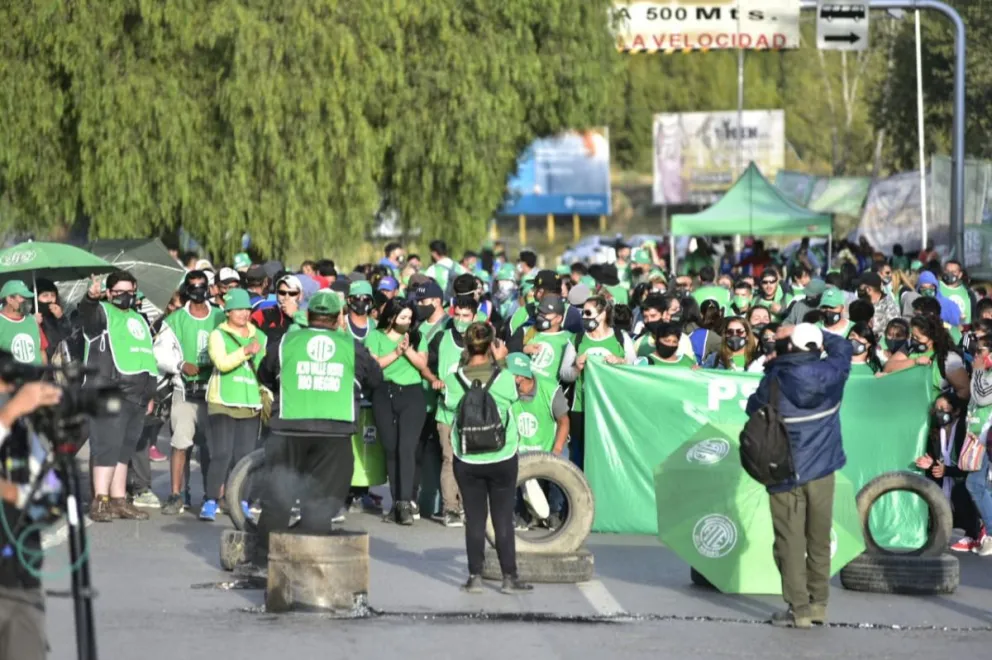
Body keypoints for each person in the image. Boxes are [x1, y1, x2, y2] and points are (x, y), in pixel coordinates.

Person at [241, 291, 384, 574]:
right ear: (338, 317)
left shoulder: (285, 342)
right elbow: (376, 379)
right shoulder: (352, 346)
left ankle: (261, 565)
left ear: (307, 316)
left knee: (278, 501)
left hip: (289, 430)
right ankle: (304, 568)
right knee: (321, 504)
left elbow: (265, 374)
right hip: (335, 433)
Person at [746, 323, 852, 628]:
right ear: (817, 347)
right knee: (818, 539)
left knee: (789, 542)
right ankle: (819, 604)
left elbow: (753, 408)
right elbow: (844, 348)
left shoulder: (775, 378)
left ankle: (799, 608)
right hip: (822, 471)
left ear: (790, 346)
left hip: (784, 471)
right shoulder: (834, 372)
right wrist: (814, 330)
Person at [442, 323, 532, 595]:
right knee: (503, 517)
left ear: (466, 346)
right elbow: (520, 396)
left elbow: (447, 406)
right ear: (492, 344)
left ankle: (475, 577)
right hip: (502, 456)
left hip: (467, 458)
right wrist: (503, 360)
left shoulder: (454, 379)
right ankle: (509, 577)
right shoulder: (504, 377)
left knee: (475, 518)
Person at [79, 271, 157, 522]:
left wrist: (149, 393)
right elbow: (87, 313)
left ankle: (118, 500)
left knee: (124, 451)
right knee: (105, 448)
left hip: (137, 396)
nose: (125, 296)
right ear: (109, 293)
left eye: (129, 292)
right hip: (109, 392)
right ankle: (100, 501)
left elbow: (145, 355)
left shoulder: (139, 319)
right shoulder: (101, 313)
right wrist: (91, 297)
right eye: (119, 291)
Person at [0, 375, 65, 660]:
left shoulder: (22, 433)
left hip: (21, 585)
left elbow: (52, 497)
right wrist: (8, 414)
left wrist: (18, 494)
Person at [154, 271, 226, 514]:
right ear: (187, 289)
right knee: (180, 444)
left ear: (208, 287)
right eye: (193, 286)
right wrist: (180, 365)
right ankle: (177, 495)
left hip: (214, 390)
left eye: (202, 286)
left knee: (213, 447)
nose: (198, 290)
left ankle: (213, 495)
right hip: (185, 390)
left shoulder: (219, 316)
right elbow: (159, 352)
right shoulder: (175, 320)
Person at [368, 299, 441, 524]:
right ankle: (396, 502)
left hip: (412, 395)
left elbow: (422, 364)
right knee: (390, 448)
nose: (407, 322)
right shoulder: (375, 336)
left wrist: (407, 349)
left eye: (410, 318)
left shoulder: (417, 337)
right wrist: (396, 353)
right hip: (384, 393)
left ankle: (406, 503)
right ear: (391, 317)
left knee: (406, 448)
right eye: (403, 318)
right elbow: (374, 364)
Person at [202, 288, 266, 521]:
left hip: (250, 403)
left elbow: (263, 367)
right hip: (222, 401)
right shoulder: (218, 335)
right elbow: (221, 362)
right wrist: (245, 351)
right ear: (228, 311)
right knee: (221, 453)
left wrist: (257, 354)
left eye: (247, 309)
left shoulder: (257, 334)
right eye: (238, 309)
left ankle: (242, 502)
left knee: (245, 457)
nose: (243, 313)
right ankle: (210, 500)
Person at [559, 296, 636, 470]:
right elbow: (564, 374)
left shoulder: (620, 337)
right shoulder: (577, 339)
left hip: (612, 407)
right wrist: (577, 367)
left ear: (602, 314)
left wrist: (621, 361)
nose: (584, 317)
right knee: (579, 455)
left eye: (588, 313)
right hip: (581, 408)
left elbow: (635, 368)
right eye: (582, 313)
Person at [914, 393, 985, 553]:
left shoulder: (964, 430)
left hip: (966, 477)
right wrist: (930, 464)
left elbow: (968, 465)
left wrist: (947, 471)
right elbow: (937, 462)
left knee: (962, 490)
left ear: (956, 411)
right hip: (947, 478)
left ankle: (973, 532)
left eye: (944, 408)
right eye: (937, 409)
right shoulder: (935, 431)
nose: (940, 412)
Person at [883, 315, 969, 401]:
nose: (913, 340)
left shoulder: (948, 358)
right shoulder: (909, 347)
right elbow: (888, 367)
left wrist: (945, 403)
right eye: (912, 336)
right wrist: (914, 362)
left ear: (932, 339)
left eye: (918, 338)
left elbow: (964, 390)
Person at [963, 335, 992, 555]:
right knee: (976, 484)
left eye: (981, 350)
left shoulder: (985, 374)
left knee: (975, 484)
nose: (976, 355)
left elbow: (982, 397)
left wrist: (979, 370)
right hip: (977, 437)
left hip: (986, 438)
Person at [251, 273, 305, 348]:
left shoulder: (308, 318)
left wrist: (296, 315)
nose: (286, 297)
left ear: (301, 296)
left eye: (292, 293)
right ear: (276, 294)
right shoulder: (262, 315)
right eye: (282, 293)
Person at [0, 281, 46, 366]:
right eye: (22, 297)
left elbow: (42, 350)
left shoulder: (32, 320)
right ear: (10, 299)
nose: (26, 301)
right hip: (10, 378)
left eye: (27, 298)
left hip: (36, 377)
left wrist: (45, 373)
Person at [940, 260, 974, 326]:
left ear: (960, 274)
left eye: (954, 272)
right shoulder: (936, 287)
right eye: (947, 271)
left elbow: (967, 319)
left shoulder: (967, 293)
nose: (950, 274)